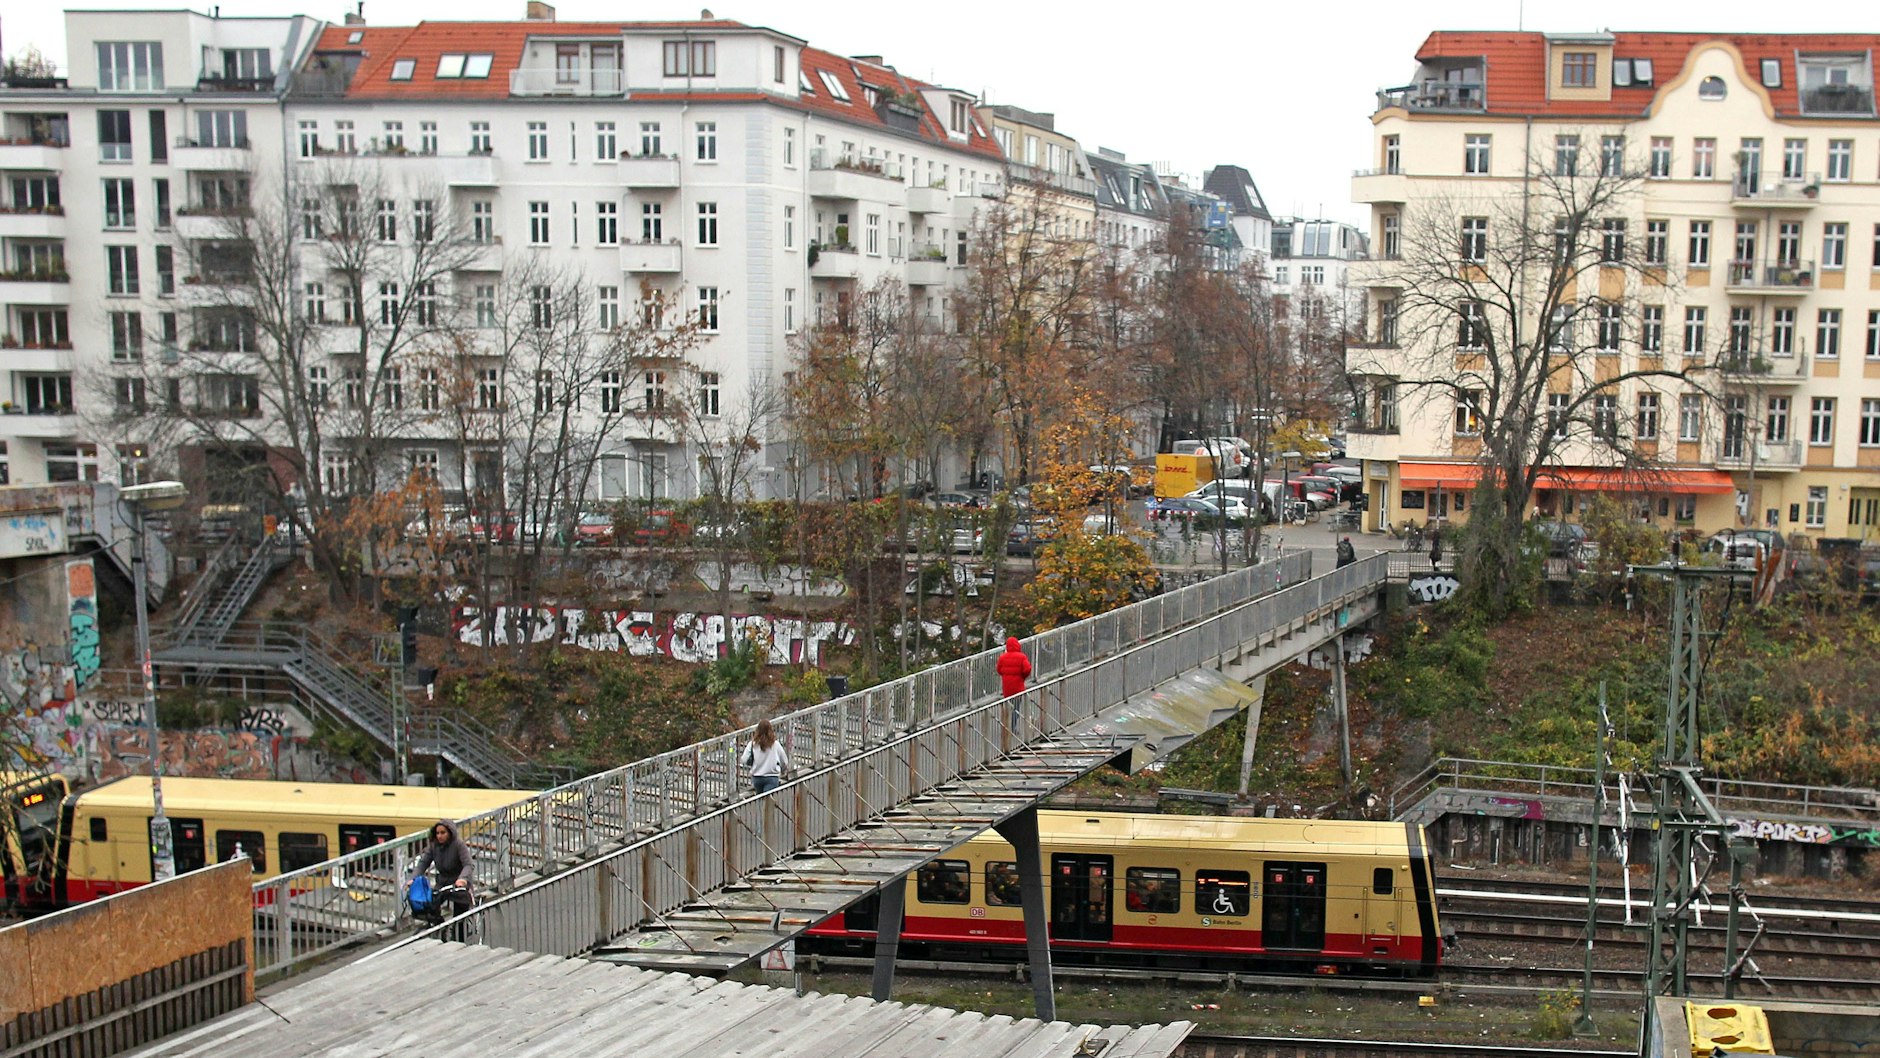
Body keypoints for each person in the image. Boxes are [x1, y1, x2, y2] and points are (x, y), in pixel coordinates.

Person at [412, 819, 473, 918]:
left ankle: (461, 931)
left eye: (443, 833)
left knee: (460, 916)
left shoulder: (458, 845)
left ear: (450, 833)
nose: (439, 836)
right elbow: (423, 863)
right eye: (437, 833)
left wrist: (463, 879)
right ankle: (439, 928)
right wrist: (413, 879)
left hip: (458, 883)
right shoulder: (434, 846)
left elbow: (468, 865)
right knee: (430, 907)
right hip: (443, 882)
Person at [741, 718, 790, 794]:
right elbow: (784, 761)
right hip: (771, 777)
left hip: (757, 777)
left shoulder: (752, 744)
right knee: (768, 801)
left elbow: (744, 759)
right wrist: (783, 771)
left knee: (760, 800)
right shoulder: (775, 744)